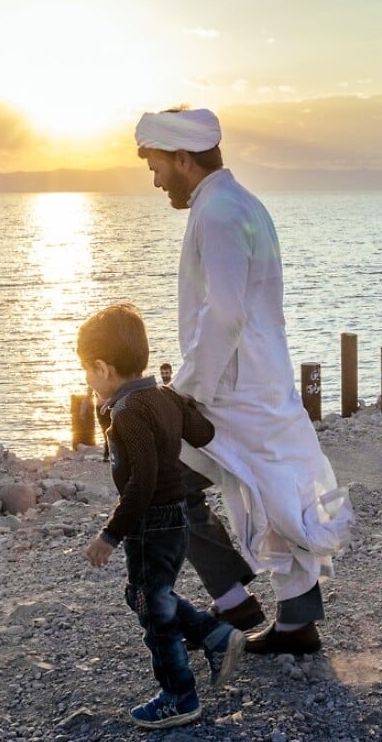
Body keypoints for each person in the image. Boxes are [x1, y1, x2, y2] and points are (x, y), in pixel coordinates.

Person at [136, 106, 354, 655]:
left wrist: (184, 393)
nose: (156, 179)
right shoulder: (239, 202)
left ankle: (236, 601)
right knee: (279, 487)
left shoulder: (219, 213)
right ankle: (290, 619)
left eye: (158, 166)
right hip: (255, 381)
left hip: (229, 392)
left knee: (171, 482)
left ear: (183, 159)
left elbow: (226, 312)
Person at [78, 303, 245, 729]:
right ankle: (213, 634)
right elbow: (203, 434)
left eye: (86, 371)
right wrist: (182, 402)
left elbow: (143, 483)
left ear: (103, 367)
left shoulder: (128, 413)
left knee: (153, 608)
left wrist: (110, 534)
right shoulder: (162, 396)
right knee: (144, 595)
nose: (86, 380)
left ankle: (179, 695)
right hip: (178, 520)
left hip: (151, 523)